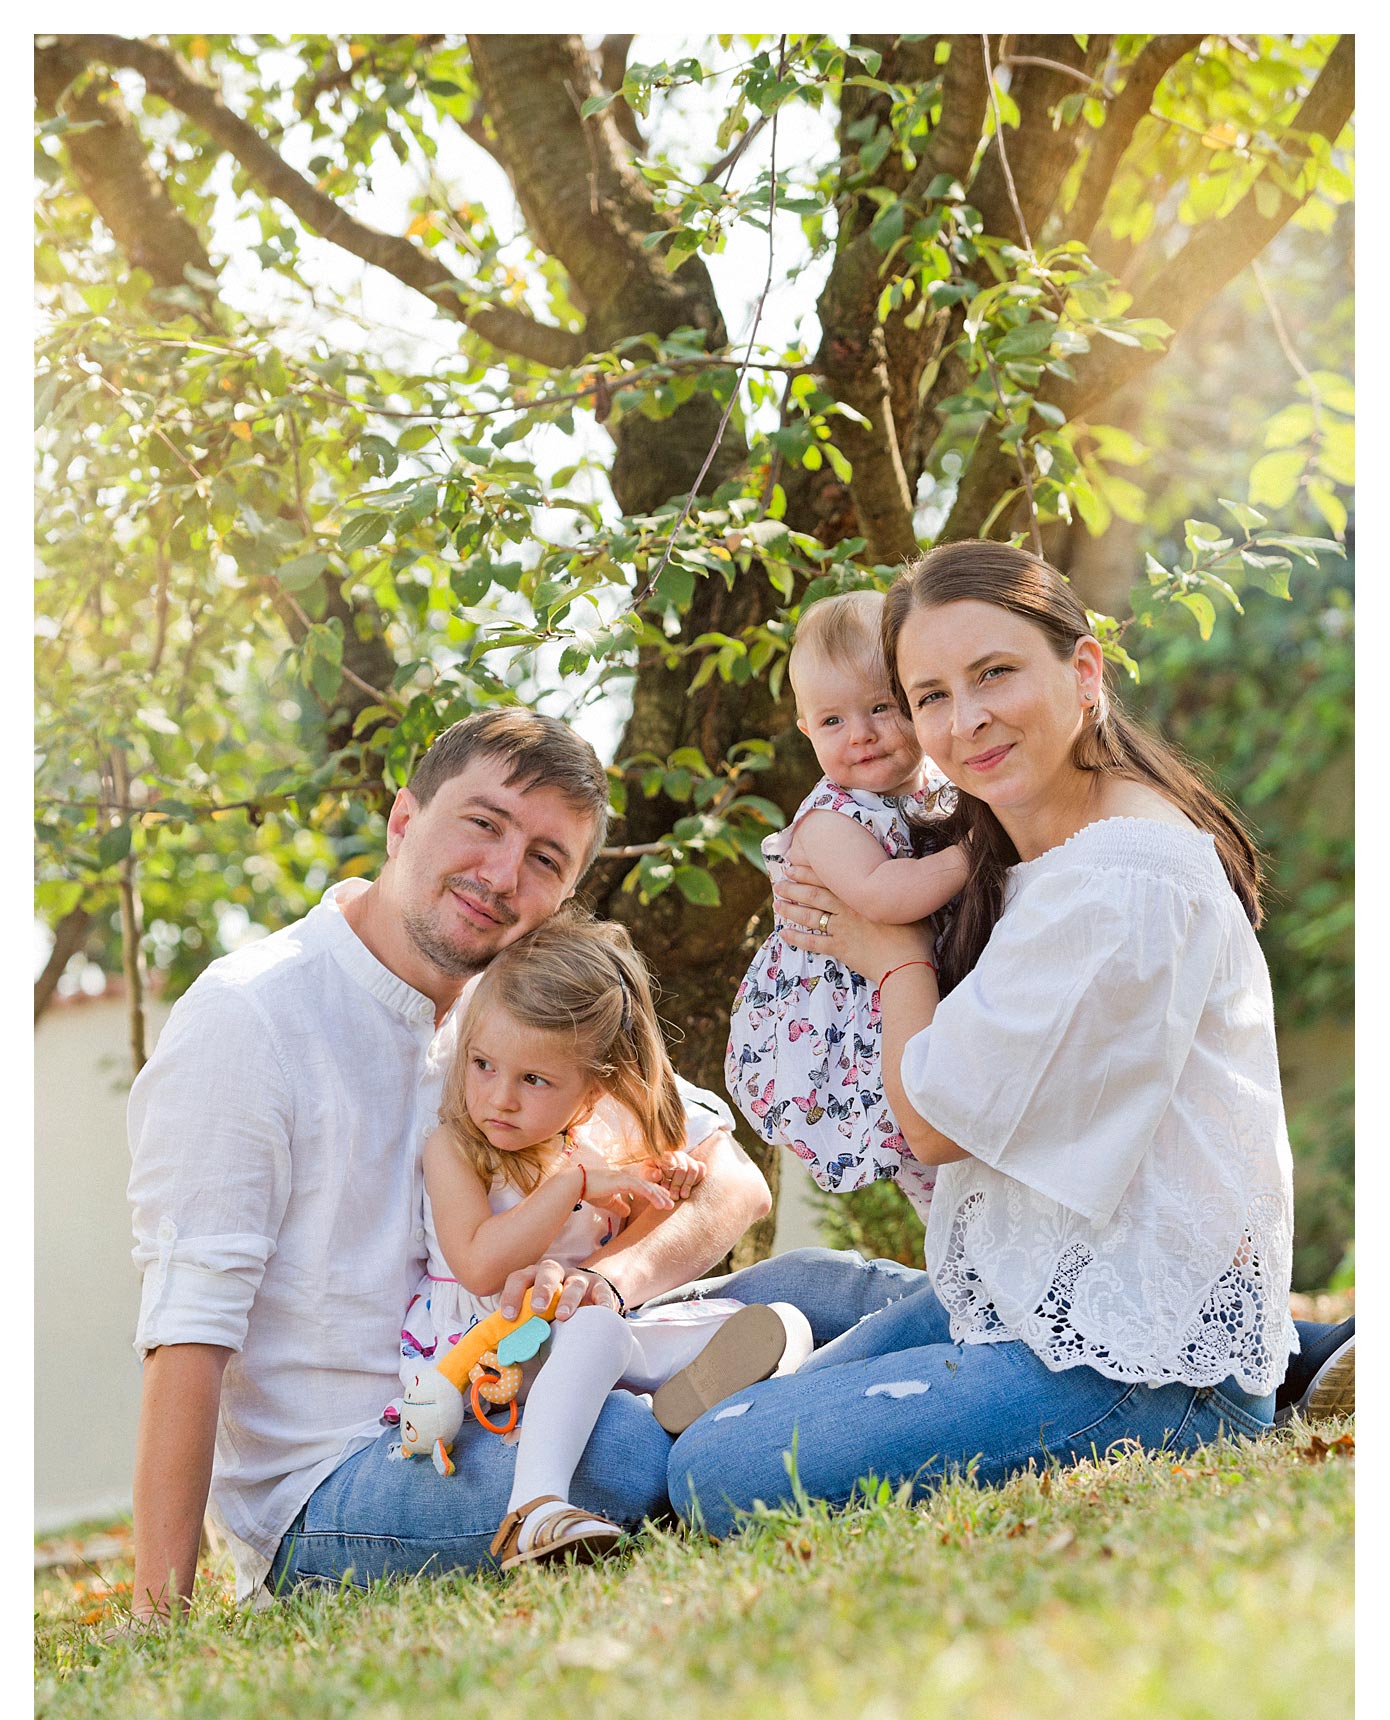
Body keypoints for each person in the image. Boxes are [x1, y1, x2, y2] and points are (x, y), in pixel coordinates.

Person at [666, 539, 1310, 1534]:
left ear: (1082, 672)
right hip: (1031, 1287)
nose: (963, 721)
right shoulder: (1027, 850)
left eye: (994, 673)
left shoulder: (1121, 880)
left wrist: (890, 954)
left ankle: (1303, 1368)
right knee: (737, 1375)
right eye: (929, 694)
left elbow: (928, 1124)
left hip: (1134, 1370)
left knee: (717, 1466)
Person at [126, 708, 770, 1618]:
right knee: (619, 1451)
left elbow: (732, 1181)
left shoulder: (505, 1008)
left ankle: (815, 1405)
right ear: (403, 822)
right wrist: (162, 1614)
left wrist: (608, 1288)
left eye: (547, 860)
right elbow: (187, 1330)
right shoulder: (250, 1019)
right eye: (484, 823)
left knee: (815, 1288)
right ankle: (800, 1424)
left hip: (519, 1377)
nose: (504, 876)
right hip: (344, 1477)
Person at [405, 913, 811, 1568]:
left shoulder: (593, 1141)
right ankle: (532, 1510)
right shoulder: (456, 1147)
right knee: (597, 1332)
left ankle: (752, 1397)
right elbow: (479, 1264)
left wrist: (666, 1177)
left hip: (591, 1332)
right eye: (482, 1065)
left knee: (768, 1322)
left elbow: (675, 1194)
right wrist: (572, 1186)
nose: (498, 1099)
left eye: (533, 1080)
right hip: (497, 1352)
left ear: (591, 1093)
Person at [725, 592, 966, 1220]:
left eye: (882, 707)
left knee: (961, 1172)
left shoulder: (937, 789)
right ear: (806, 729)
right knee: (935, 1168)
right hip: (850, 1018)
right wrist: (972, 856)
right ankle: (967, 1265)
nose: (860, 735)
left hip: (902, 997)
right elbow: (883, 897)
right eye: (832, 721)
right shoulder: (831, 819)